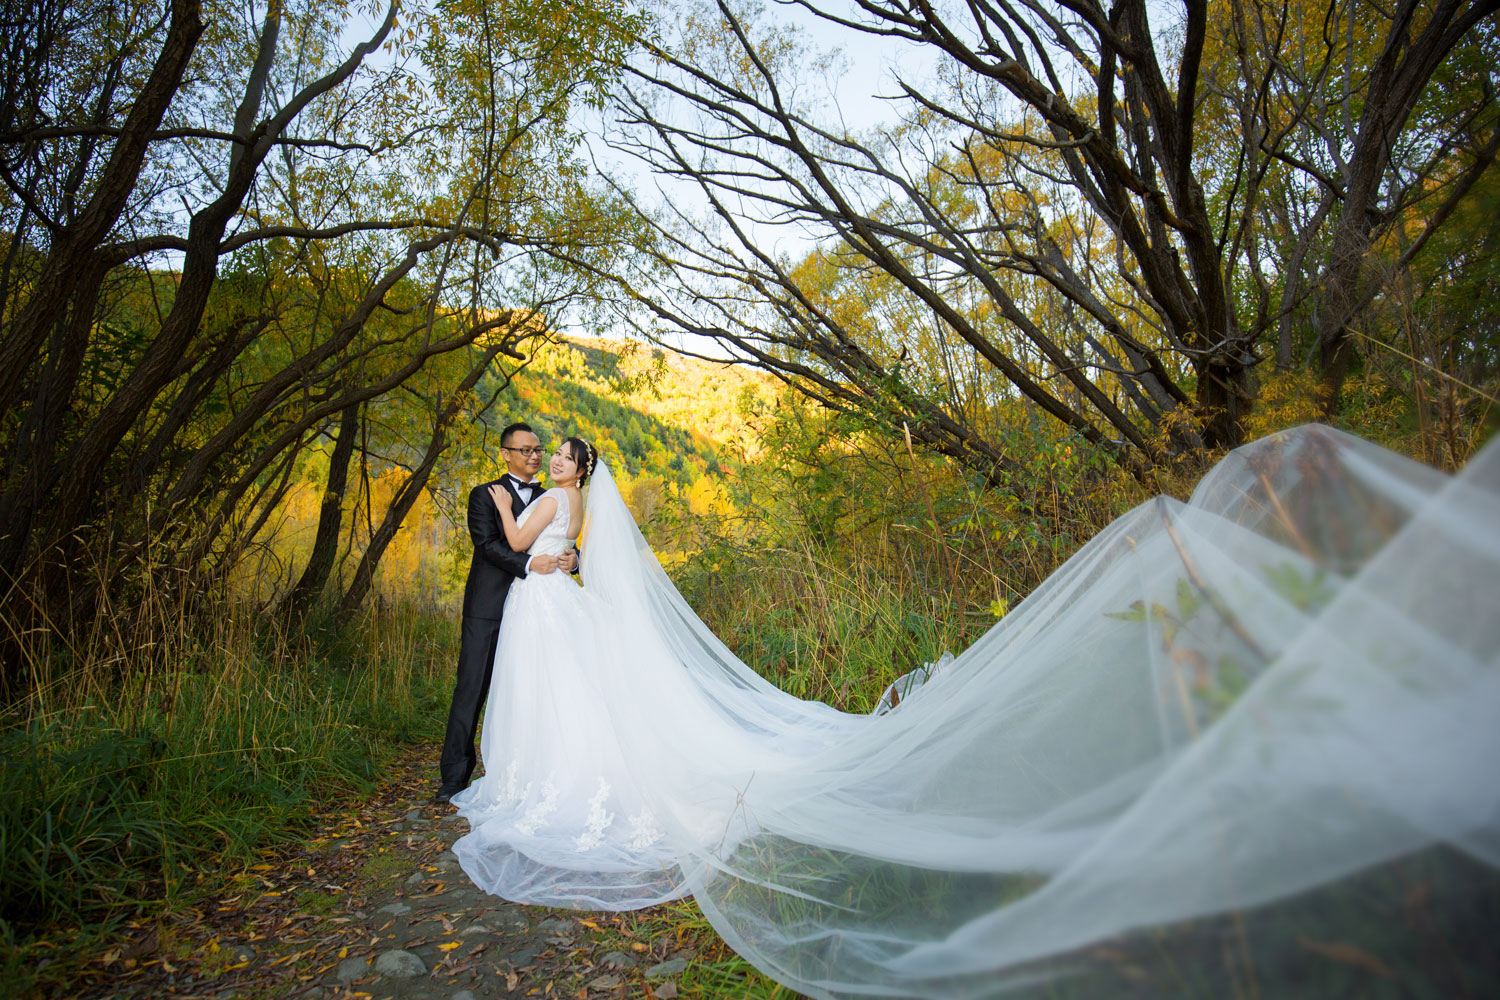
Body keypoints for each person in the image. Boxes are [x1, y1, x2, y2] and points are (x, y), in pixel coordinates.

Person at [446, 425, 1500, 1000]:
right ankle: (539, 774)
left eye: (563, 458)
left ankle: (559, 783)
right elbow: (528, 541)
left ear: (576, 467)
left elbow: (550, 541)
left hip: (553, 600)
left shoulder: (560, 497)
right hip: (548, 606)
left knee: (571, 713)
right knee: (559, 708)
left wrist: (543, 532)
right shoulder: (532, 490)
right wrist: (533, 541)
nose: (553, 468)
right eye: (547, 459)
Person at [434, 422, 576, 804]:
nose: (534, 456)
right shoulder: (485, 495)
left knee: (532, 690)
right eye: (525, 450)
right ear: (506, 454)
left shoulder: (552, 497)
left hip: (533, 612)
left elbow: (566, 540)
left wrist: (572, 559)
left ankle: (524, 774)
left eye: (538, 449)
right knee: (471, 688)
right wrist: (531, 564)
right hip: (488, 608)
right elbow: (488, 545)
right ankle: (454, 778)